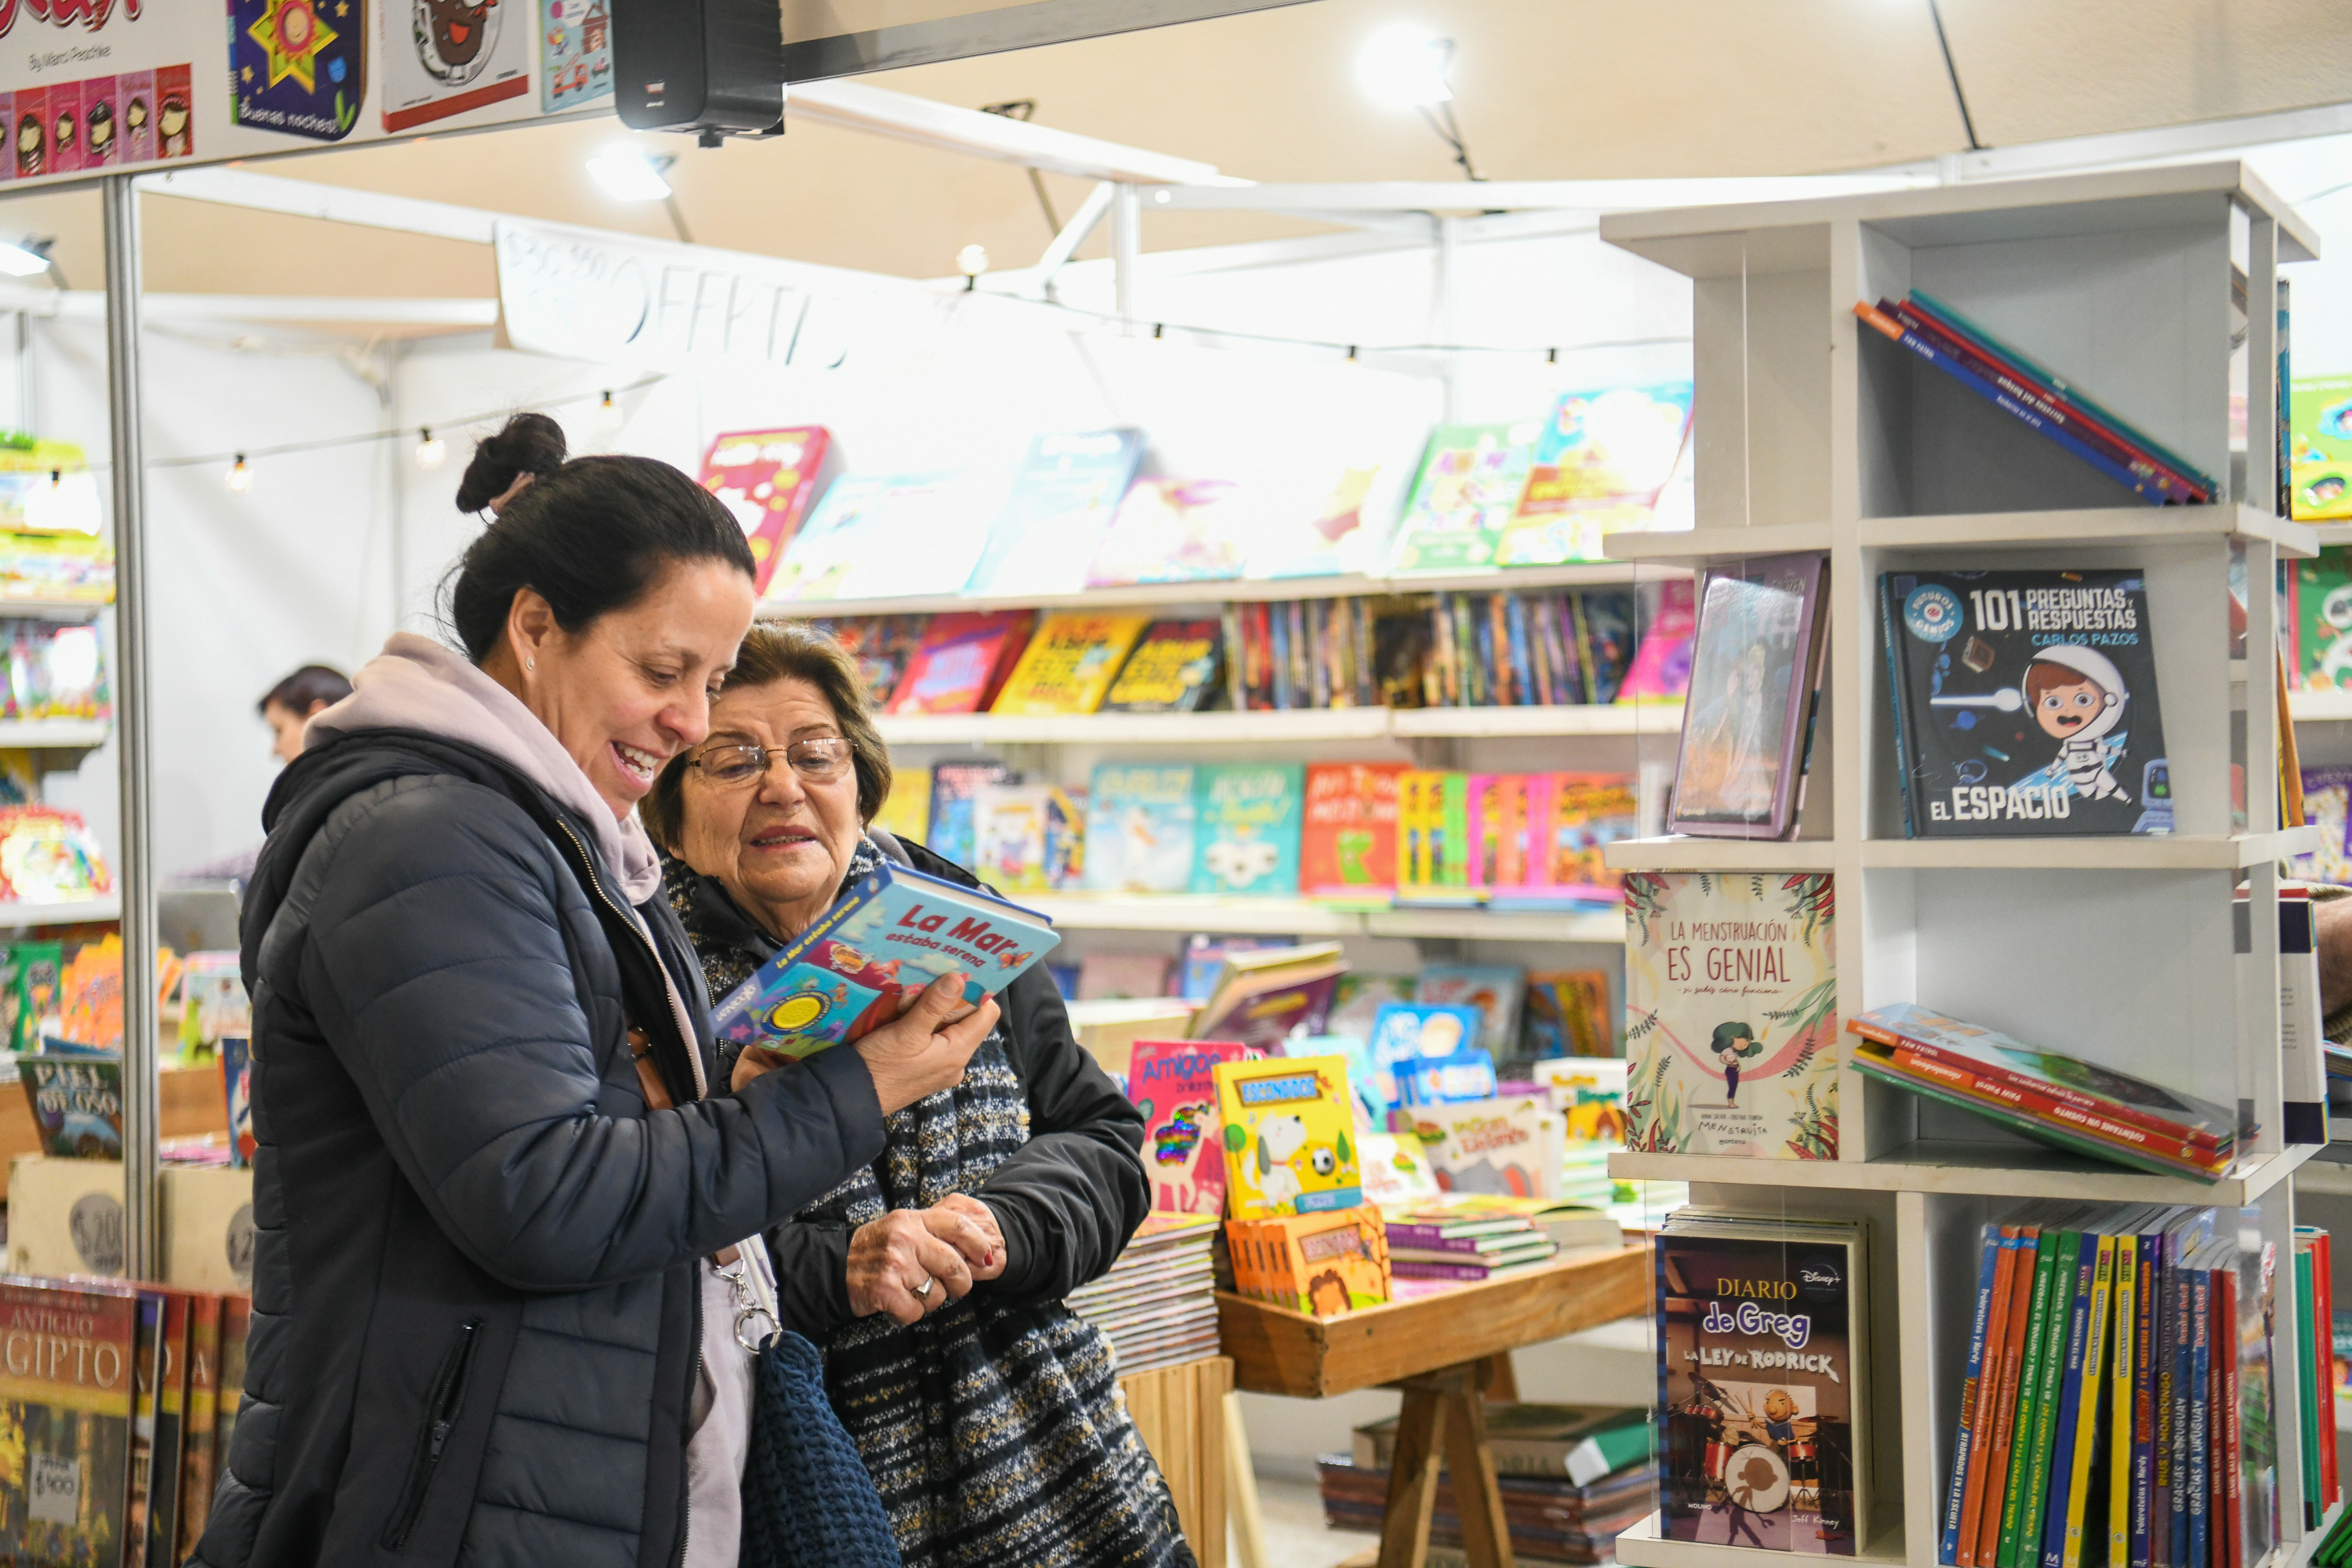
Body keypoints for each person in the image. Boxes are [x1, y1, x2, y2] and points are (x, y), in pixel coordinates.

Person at [190, 420, 999, 1568]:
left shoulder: (554, 833)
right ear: (534, 628)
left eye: (710, 682)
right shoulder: (430, 842)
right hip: (456, 1501)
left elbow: (567, 1121)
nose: (695, 723)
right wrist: (857, 1092)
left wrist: (729, 1083)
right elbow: (541, 1191)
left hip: (548, 1472)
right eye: (663, 673)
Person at [641, 620, 1193, 1568]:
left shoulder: (955, 917)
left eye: (817, 753)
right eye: (732, 760)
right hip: (812, 1480)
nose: (783, 785)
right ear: (669, 814)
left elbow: (1104, 1139)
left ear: (860, 778)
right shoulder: (652, 986)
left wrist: (996, 1225)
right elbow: (649, 1230)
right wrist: (844, 1266)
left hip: (1065, 1468)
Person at [259, 663, 352, 764]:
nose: (275, 750)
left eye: (279, 731)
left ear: (318, 719)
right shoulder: (366, 768)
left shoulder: (344, 778)